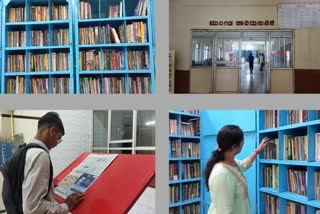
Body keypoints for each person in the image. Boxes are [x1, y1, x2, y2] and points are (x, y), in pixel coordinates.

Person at [22, 112, 84, 213]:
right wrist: (66, 206)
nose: (56, 143)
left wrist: (48, 184)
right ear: (52, 131)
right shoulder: (40, 155)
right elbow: (32, 207)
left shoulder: (26, 150)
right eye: (58, 138)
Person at [204, 125, 270, 214]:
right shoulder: (222, 174)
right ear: (234, 147)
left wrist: (258, 150)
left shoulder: (231, 162)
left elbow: (245, 164)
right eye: (242, 144)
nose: (243, 145)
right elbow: (224, 211)